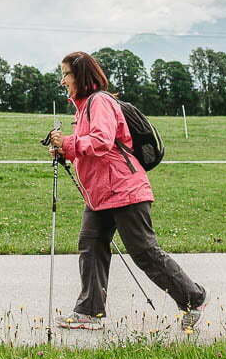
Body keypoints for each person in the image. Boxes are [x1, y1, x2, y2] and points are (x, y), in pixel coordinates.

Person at [47, 51, 206, 332]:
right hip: (101, 194)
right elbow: (90, 150)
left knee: (143, 251)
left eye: (66, 74)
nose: (62, 81)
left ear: (81, 75)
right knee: (91, 245)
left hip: (124, 189)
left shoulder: (101, 102)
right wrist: (64, 151)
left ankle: (193, 298)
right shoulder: (83, 108)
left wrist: (69, 144)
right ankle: (89, 312)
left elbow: (101, 141)